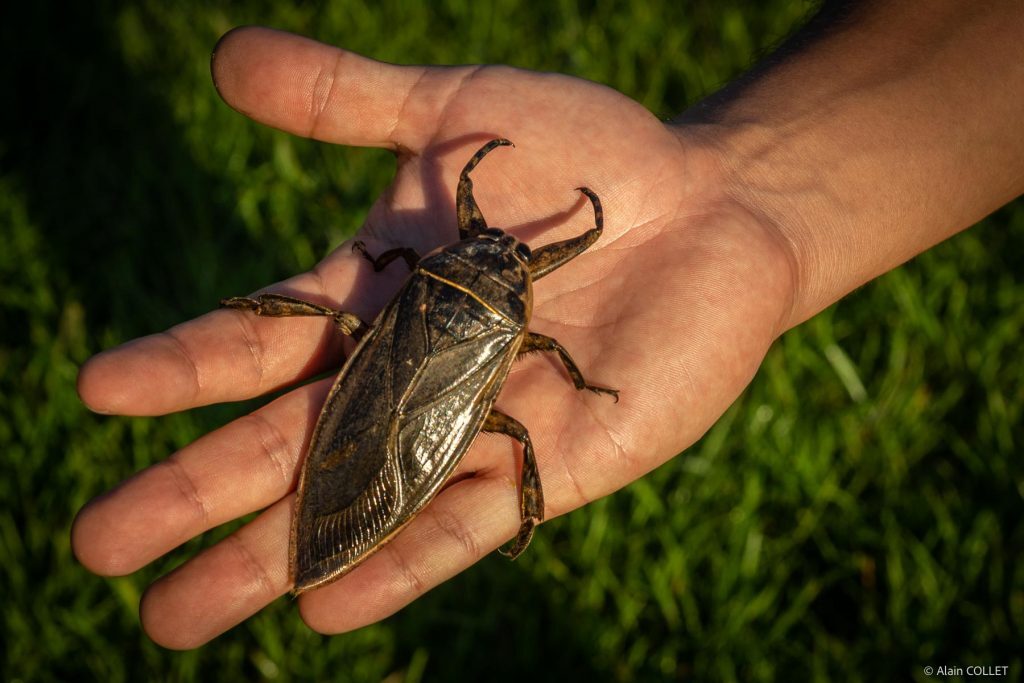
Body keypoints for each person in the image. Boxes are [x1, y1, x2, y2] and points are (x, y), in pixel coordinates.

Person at [71, 3, 1024, 649]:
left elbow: (411, 264)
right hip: (444, 369)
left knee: (430, 376)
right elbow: (446, 275)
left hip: (410, 361)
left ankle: (408, 509)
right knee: (513, 427)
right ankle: (483, 508)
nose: (490, 236)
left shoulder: (436, 270)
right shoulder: (503, 314)